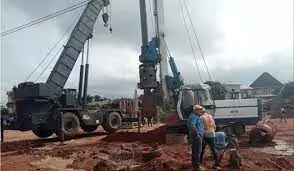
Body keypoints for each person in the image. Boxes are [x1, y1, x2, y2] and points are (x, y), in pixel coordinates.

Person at [187, 105, 205, 171]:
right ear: (195, 110)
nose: (201, 111)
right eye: (199, 110)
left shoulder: (195, 116)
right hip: (197, 137)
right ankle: (197, 166)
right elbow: (192, 126)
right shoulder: (194, 116)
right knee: (198, 151)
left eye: (201, 109)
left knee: (195, 151)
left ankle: (194, 164)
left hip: (197, 136)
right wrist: (197, 135)